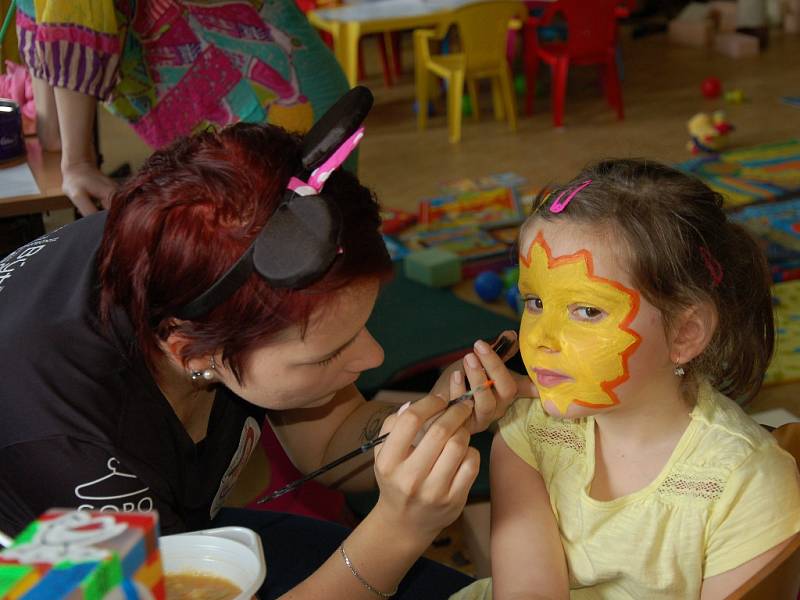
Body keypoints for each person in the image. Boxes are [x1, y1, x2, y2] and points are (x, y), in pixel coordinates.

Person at [0, 88, 522, 598]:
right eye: (328, 353)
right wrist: (399, 530)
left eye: (361, 326)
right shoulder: (65, 446)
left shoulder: (193, 254)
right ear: (195, 354)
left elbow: (330, 434)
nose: (374, 358)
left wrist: (433, 412)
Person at [451, 159, 800, 600]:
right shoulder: (530, 432)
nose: (541, 338)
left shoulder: (744, 485)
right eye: (535, 301)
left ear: (684, 333)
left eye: (588, 310)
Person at [16, 0, 352, 216]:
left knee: (315, 272)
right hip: (233, 104)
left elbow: (75, 19)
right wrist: (59, 145)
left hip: (275, 95)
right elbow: (41, 19)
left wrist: (76, 160)